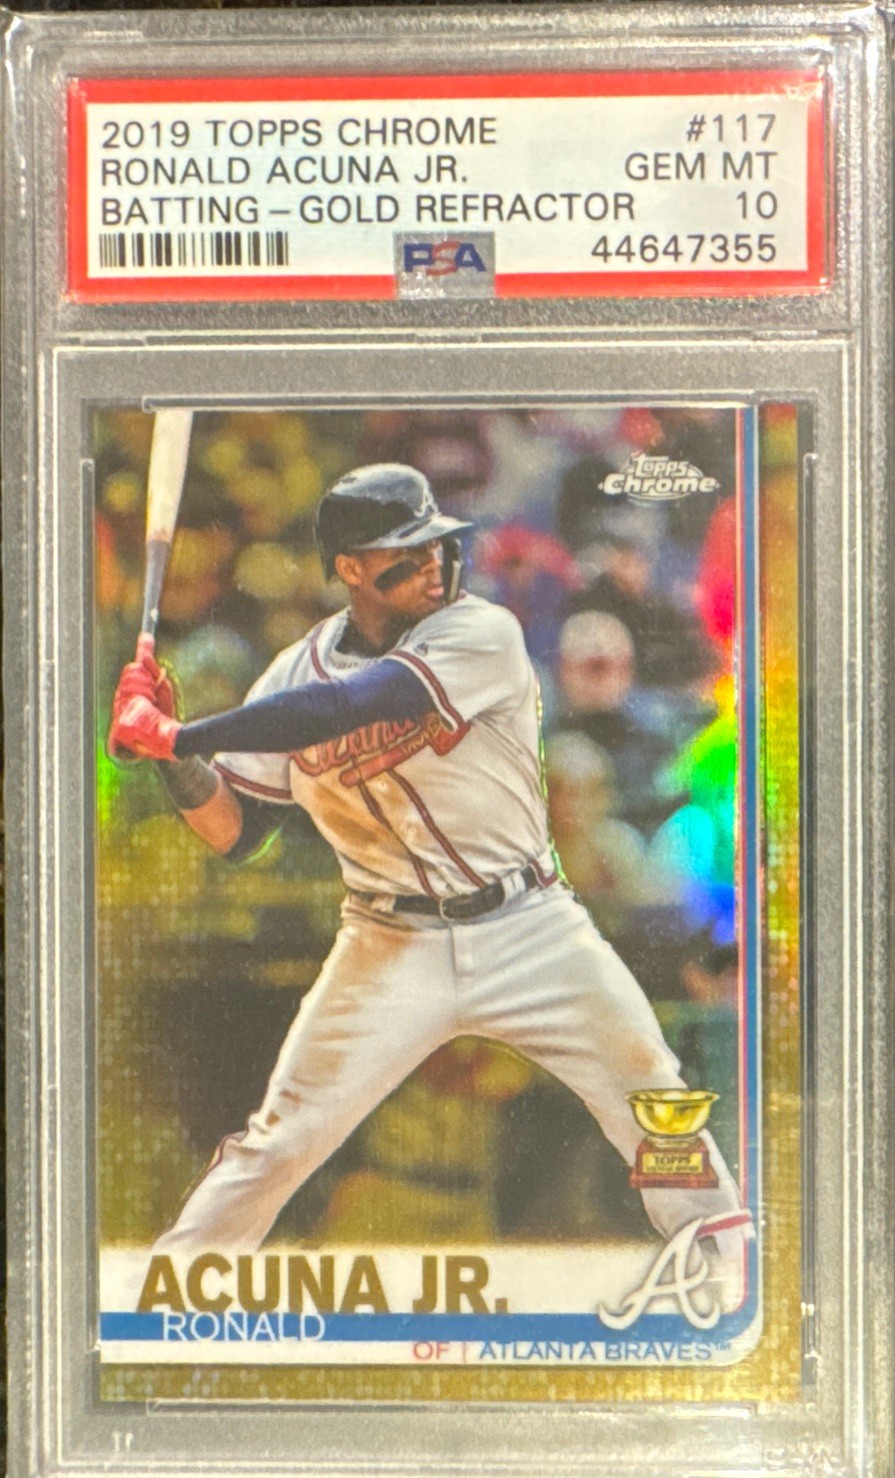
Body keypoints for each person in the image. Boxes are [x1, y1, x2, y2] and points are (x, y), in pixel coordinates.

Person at [108, 463, 751, 1301]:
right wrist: (167, 754)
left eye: (439, 546)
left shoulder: (479, 632)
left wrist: (181, 732)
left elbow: (357, 705)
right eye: (406, 554)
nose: (435, 565)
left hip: (528, 927)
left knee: (650, 1095)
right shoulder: (293, 674)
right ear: (349, 567)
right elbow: (236, 832)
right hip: (387, 944)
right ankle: (168, 1299)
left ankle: (731, 1280)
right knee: (279, 1140)